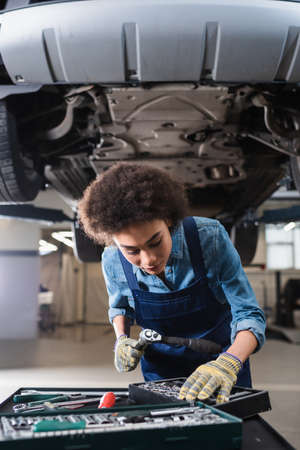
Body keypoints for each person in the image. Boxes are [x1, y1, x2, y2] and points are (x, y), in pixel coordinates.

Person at [78, 163, 265, 403]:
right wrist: (122, 338)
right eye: (132, 250)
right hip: (160, 371)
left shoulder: (210, 238)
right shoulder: (113, 259)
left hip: (221, 365)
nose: (148, 260)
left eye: (155, 242)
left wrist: (230, 361)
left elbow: (249, 314)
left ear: (168, 220)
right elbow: (120, 307)